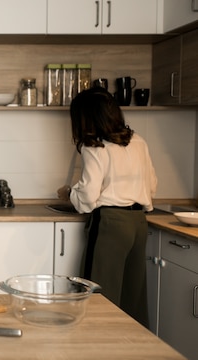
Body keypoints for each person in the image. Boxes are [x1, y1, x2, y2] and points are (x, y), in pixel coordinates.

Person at [57, 87, 157, 327]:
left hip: (111, 223)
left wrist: (69, 193)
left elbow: (88, 198)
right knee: (133, 296)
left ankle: (95, 350)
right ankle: (133, 352)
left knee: (97, 293)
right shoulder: (138, 141)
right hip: (138, 225)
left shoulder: (94, 146)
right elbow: (151, 185)